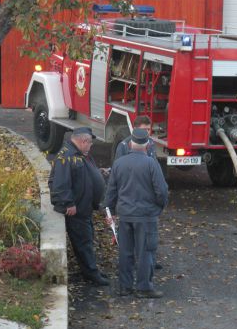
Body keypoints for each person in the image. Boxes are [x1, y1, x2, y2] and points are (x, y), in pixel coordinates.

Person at [105, 128, 168, 298]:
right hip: (146, 216)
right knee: (146, 251)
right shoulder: (151, 164)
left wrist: (109, 211)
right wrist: (159, 208)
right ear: (147, 145)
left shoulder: (119, 164)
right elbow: (162, 191)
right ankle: (144, 287)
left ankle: (125, 287)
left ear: (131, 144)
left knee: (125, 252)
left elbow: (111, 191)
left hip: (125, 215)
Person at [48, 127, 109, 286]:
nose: (91, 146)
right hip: (77, 209)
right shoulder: (67, 156)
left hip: (85, 207)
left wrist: (98, 173)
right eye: (90, 143)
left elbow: (81, 175)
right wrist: (68, 203)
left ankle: (89, 270)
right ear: (83, 141)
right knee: (84, 242)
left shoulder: (79, 154)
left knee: (87, 239)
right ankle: (91, 274)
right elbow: (60, 183)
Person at [114, 115, 163, 270]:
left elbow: (155, 167)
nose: (147, 133)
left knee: (149, 237)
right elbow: (119, 173)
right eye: (144, 129)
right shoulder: (124, 145)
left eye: (149, 129)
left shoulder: (151, 144)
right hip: (131, 196)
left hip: (147, 197)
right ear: (135, 129)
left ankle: (151, 262)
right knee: (134, 237)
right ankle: (136, 265)